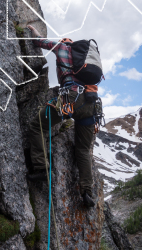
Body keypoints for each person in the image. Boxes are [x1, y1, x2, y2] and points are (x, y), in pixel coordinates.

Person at [26, 24, 100, 208]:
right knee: (82, 150)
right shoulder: (87, 61)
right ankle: (87, 192)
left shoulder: (62, 46)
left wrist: (32, 30)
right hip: (91, 103)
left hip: (70, 98)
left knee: (37, 126)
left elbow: (39, 41)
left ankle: (42, 168)